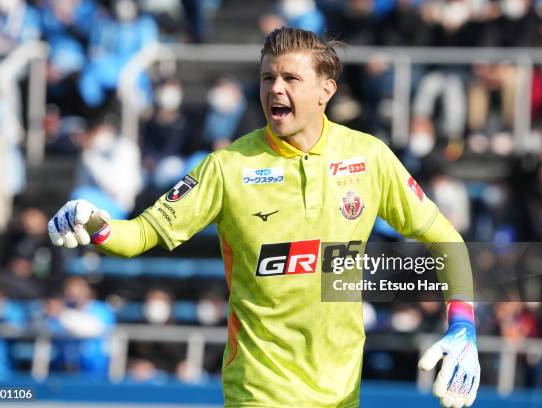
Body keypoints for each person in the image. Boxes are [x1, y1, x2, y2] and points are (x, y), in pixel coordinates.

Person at [48, 27, 480, 408]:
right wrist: (96, 225)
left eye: (291, 78)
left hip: (341, 394)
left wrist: (463, 325)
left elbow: (446, 237)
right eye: (268, 77)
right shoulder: (227, 166)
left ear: (325, 91)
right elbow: (140, 235)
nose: (275, 88)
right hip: (258, 392)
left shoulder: (368, 157)